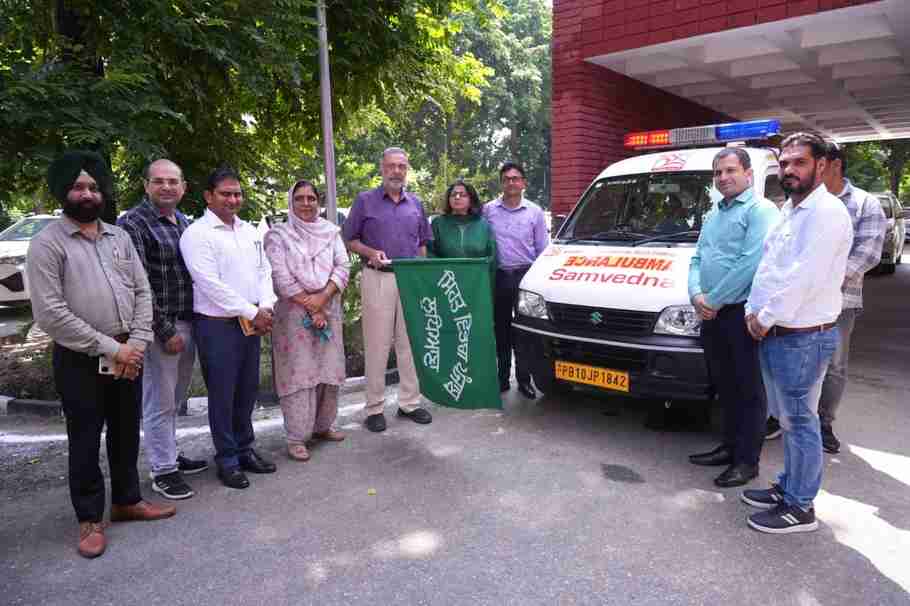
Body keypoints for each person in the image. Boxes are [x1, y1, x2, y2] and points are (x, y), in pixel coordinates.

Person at [27, 151, 175, 558]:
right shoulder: (47, 244)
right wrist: (116, 348)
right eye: (78, 186)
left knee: (127, 428)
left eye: (93, 186)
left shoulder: (119, 237)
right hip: (81, 358)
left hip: (129, 350)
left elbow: (143, 291)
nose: (87, 193)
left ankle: (128, 500)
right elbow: (51, 314)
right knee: (86, 437)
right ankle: (90, 518)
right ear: (63, 191)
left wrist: (139, 343)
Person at [741, 132, 852, 534]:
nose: (789, 170)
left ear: (821, 166)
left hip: (802, 336)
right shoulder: (791, 208)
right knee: (788, 420)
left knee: (800, 422)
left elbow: (802, 278)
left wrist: (764, 317)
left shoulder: (827, 214)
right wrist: (756, 312)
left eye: (798, 162)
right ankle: (789, 487)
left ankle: (800, 507)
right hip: (779, 332)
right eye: (785, 163)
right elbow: (770, 267)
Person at [764, 143, 885, 453]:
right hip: (795, 303)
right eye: (787, 163)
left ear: (831, 165)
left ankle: (824, 422)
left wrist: (826, 279)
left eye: (808, 162)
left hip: (840, 302)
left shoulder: (861, 204)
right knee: (790, 372)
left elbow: (868, 253)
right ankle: (782, 419)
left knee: (833, 366)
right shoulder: (794, 202)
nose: (795, 170)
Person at [179, 167, 277, 489]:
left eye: (237, 193)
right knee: (222, 394)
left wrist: (265, 306)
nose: (233, 199)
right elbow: (209, 284)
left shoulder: (249, 231)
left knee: (246, 391)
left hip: (250, 323)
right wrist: (253, 311)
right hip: (217, 326)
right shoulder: (196, 234)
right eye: (225, 193)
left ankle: (245, 448)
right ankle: (227, 459)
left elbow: (265, 271)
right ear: (208, 196)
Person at [687, 148, 780, 488]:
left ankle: (746, 461)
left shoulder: (760, 211)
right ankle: (728, 447)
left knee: (747, 389)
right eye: (718, 173)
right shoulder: (714, 214)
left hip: (739, 314)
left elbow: (750, 264)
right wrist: (696, 295)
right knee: (723, 385)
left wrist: (712, 299)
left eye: (730, 170)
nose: (723, 178)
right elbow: (696, 258)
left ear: (748, 174)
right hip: (710, 312)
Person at [118, 159, 208, 500]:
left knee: (175, 397)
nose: (167, 187)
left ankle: (169, 453)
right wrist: (165, 329)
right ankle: (163, 470)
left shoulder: (183, 221)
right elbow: (137, 284)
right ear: (146, 186)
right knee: (159, 399)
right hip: (161, 327)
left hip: (188, 320)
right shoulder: (134, 224)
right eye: (159, 181)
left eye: (173, 181)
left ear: (183, 187)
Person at [342, 147, 434, 432]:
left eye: (402, 166)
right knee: (377, 345)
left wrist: (423, 277)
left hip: (410, 280)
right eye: (391, 166)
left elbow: (422, 244)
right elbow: (348, 239)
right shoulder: (365, 201)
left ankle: (409, 403)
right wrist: (370, 252)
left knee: (410, 344)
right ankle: (374, 408)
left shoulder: (416, 204)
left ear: (407, 170)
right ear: (382, 168)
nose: (396, 171)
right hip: (378, 277)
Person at [265, 180, 350, 461]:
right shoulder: (278, 235)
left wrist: (322, 299)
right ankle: (297, 437)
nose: (306, 203)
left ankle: (323, 426)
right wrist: (310, 304)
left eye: (311, 198)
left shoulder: (330, 231)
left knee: (328, 369)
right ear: (291, 202)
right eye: (299, 198)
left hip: (328, 309)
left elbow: (343, 265)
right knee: (298, 374)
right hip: (293, 315)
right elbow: (280, 276)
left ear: (318, 201)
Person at [483, 162, 550, 398]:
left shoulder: (535, 212)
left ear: (523, 183)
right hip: (499, 277)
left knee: (525, 331)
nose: (511, 182)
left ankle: (524, 380)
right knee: (500, 329)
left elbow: (543, 250)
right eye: (507, 178)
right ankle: (501, 379)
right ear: (502, 182)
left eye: (516, 178)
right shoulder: (488, 210)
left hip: (526, 278)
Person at [428, 180, 497, 281]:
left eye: (463, 195)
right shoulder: (438, 223)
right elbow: (429, 253)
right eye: (453, 195)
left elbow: (492, 257)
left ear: (471, 199)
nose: (457, 197)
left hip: (477, 282)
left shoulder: (483, 225)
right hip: (446, 283)